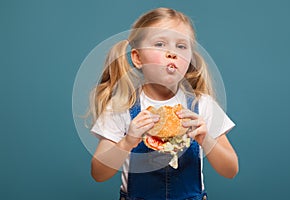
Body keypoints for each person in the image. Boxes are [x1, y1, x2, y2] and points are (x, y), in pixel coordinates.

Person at [89, 7, 238, 200]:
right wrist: (127, 142)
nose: (172, 53)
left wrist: (206, 139)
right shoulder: (121, 107)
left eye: (181, 46)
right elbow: (98, 173)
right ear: (137, 58)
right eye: (160, 44)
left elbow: (231, 170)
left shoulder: (202, 105)